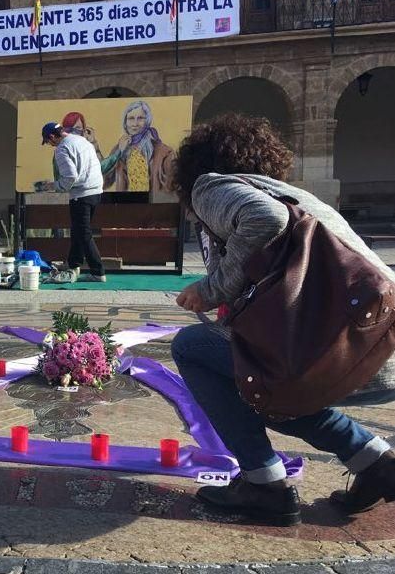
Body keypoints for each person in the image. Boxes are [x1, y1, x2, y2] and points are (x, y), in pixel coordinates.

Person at [169, 113, 395, 526]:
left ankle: (264, 485)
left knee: (192, 349)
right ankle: (375, 463)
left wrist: (210, 288)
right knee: (263, 382)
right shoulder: (294, 195)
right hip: (374, 346)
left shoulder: (213, 185)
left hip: (334, 351)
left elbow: (264, 220)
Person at [41, 122, 105, 282]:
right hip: (96, 191)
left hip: (81, 194)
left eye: (48, 142)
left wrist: (53, 186)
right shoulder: (82, 141)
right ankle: (73, 265)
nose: (50, 145)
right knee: (78, 231)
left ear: (52, 137)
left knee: (84, 233)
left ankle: (98, 272)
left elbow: (70, 177)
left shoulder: (62, 149)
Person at [102, 100, 175, 193]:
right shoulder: (118, 149)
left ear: (147, 121)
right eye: (131, 118)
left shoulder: (164, 152)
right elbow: (104, 181)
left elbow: (172, 187)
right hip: (124, 205)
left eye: (140, 118)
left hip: (153, 204)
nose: (135, 124)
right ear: (125, 122)